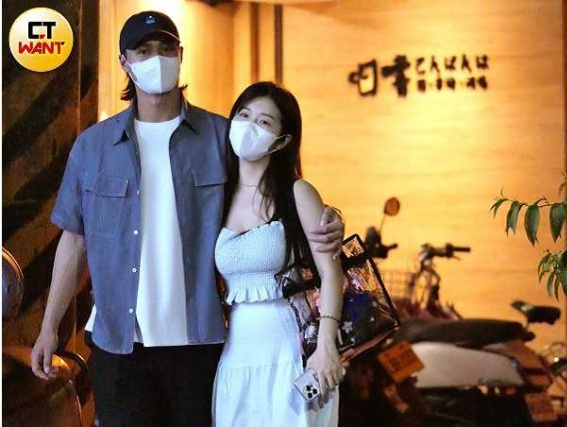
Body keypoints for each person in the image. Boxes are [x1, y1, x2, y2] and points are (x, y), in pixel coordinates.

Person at [29, 11, 344, 426]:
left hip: (200, 345)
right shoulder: (93, 147)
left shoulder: (220, 137)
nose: (156, 59)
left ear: (181, 54)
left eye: (165, 48)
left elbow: (274, 189)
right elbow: (74, 242)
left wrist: (328, 217)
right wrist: (49, 327)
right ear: (124, 62)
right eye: (143, 51)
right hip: (121, 345)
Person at [212, 81, 343, 426]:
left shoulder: (297, 192)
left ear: (282, 141)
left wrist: (326, 345)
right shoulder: (217, 196)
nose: (249, 126)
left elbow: (332, 272)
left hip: (293, 354)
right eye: (244, 115)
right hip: (236, 357)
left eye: (264, 122)